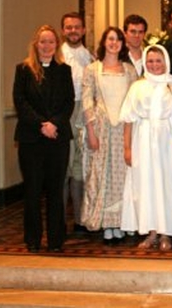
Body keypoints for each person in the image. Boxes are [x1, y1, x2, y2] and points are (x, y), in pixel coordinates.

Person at [13, 25, 74, 253]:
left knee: (56, 190)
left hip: (57, 138)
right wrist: (41, 124)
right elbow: (20, 102)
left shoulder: (64, 70)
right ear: (35, 44)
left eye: (50, 42)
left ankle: (56, 240)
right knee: (33, 190)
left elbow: (68, 102)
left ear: (56, 45)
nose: (46, 46)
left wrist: (54, 124)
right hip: (31, 138)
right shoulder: (23, 70)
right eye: (42, 42)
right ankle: (33, 239)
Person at [120, 44, 172, 251]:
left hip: (168, 140)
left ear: (165, 61)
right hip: (143, 140)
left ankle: (166, 233)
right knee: (146, 186)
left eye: (158, 61)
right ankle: (151, 232)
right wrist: (127, 148)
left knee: (167, 186)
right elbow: (128, 119)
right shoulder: (138, 86)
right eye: (150, 61)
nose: (154, 65)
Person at [81, 27, 138, 245]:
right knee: (101, 175)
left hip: (123, 129)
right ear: (104, 42)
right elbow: (87, 101)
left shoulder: (129, 70)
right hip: (102, 129)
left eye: (118, 40)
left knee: (123, 177)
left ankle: (121, 222)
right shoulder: (92, 69)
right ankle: (106, 223)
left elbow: (133, 102)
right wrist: (92, 132)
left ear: (123, 44)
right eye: (110, 39)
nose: (114, 43)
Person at [60, 12, 94, 234]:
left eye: (77, 27)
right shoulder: (57, 55)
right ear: (63, 30)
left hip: (85, 111)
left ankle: (81, 220)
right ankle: (59, 219)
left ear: (83, 30)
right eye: (68, 27)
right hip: (64, 112)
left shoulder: (90, 57)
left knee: (81, 168)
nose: (73, 31)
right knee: (63, 166)